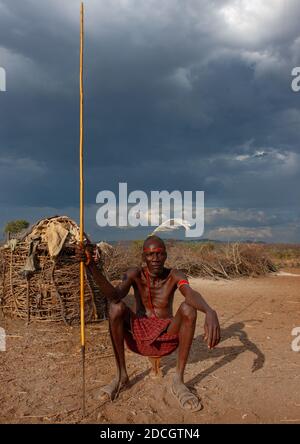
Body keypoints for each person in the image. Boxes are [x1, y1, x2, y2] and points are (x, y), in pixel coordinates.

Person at [77, 235, 220, 412]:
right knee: (115, 307)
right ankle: (121, 375)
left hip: (167, 331)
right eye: (150, 254)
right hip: (139, 330)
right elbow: (114, 295)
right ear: (144, 257)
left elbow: (189, 293)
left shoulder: (175, 276)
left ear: (166, 255)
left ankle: (178, 381)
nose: (155, 259)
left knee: (188, 308)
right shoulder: (134, 274)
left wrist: (209, 310)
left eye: (159, 254)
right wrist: (91, 268)